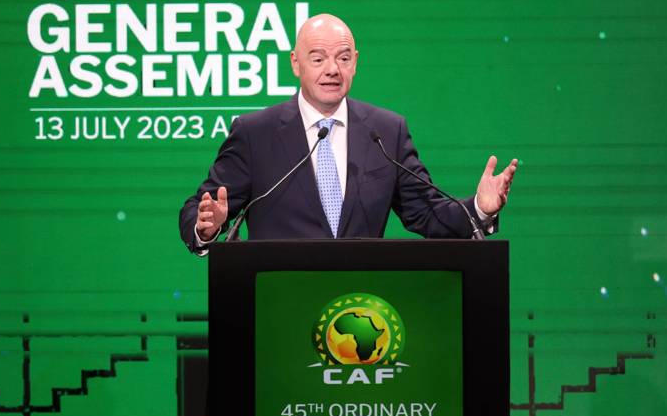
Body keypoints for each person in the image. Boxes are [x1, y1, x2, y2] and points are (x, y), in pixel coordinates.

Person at [179, 14, 517, 253]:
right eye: (318, 59)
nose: (332, 69)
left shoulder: (386, 131)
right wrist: (206, 225)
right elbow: (199, 207)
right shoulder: (256, 134)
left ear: (355, 62)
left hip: (362, 308)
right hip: (277, 301)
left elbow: (426, 214)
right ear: (296, 64)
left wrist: (480, 208)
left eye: (342, 58)